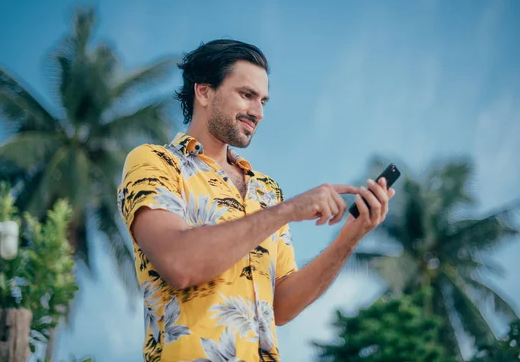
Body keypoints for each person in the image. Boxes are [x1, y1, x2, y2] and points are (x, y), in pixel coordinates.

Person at [117, 39, 395, 362]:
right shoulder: (154, 163)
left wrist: (349, 236)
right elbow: (179, 263)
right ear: (204, 92)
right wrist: (289, 210)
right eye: (247, 95)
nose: (258, 112)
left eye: (263, 100)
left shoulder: (267, 190)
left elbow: (282, 306)